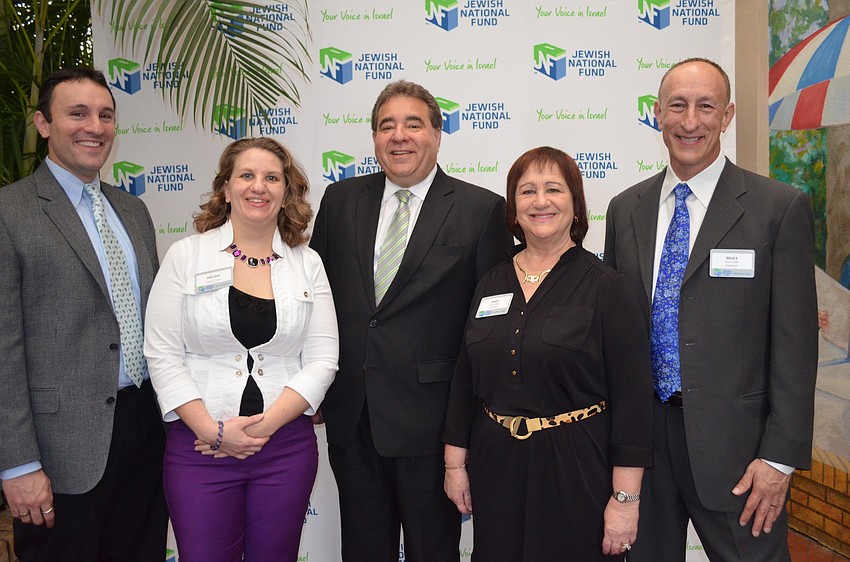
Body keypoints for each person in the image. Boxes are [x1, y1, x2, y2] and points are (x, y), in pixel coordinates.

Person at [604, 58, 818, 561]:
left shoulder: (777, 208)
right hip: (643, 450)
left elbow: (795, 345)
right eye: (677, 106)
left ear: (728, 116)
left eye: (706, 107)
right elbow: (615, 337)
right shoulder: (624, 209)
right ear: (657, 114)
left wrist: (779, 459)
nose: (690, 121)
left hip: (741, 453)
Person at [310, 80, 512, 562]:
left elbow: (490, 323)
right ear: (375, 138)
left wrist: (469, 421)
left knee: (431, 552)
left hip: (433, 422)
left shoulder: (480, 209)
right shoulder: (340, 201)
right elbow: (314, 300)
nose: (399, 136)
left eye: (413, 124)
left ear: (437, 135)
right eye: (386, 126)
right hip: (352, 418)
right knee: (361, 549)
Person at [442, 146, 654, 561]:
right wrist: (454, 465)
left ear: (575, 206)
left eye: (554, 189)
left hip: (576, 467)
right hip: (495, 462)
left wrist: (626, 500)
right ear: (513, 209)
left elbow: (633, 403)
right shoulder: (490, 281)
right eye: (527, 191)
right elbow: (465, 379)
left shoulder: (607, 287)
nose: (540, 201)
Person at [144, 137, 338, 562]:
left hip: (284, 449)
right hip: (199, 449)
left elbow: (323, 360)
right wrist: (213, 432)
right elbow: (161, 354)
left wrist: (262, 427)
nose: (259, 187)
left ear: (287, 191)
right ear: (226, 187)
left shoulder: (308, 263)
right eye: (246, 175)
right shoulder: (185, 256)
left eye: (272, 177)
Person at [0, 67, 167, 561]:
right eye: (77, 113)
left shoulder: (132, 210)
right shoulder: (11, 213)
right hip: (60, 450)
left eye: (105, 115)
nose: (94, 126)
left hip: (146, 430)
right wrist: (18, 465)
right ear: (43, 124)